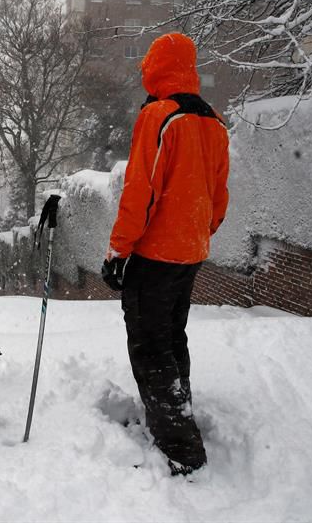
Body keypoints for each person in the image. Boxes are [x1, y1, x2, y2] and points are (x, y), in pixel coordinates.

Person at [102, 32, 229, 477]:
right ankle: (178, 411)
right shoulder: (213, 121)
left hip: (155, 255)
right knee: (172, 338)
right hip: (191, 254)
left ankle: (182, 451)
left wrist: (119, 250)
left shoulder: (159, 116)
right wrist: (197, 234)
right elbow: (218, 198)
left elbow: (140, 190)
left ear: (156, 69)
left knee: (150, 344)